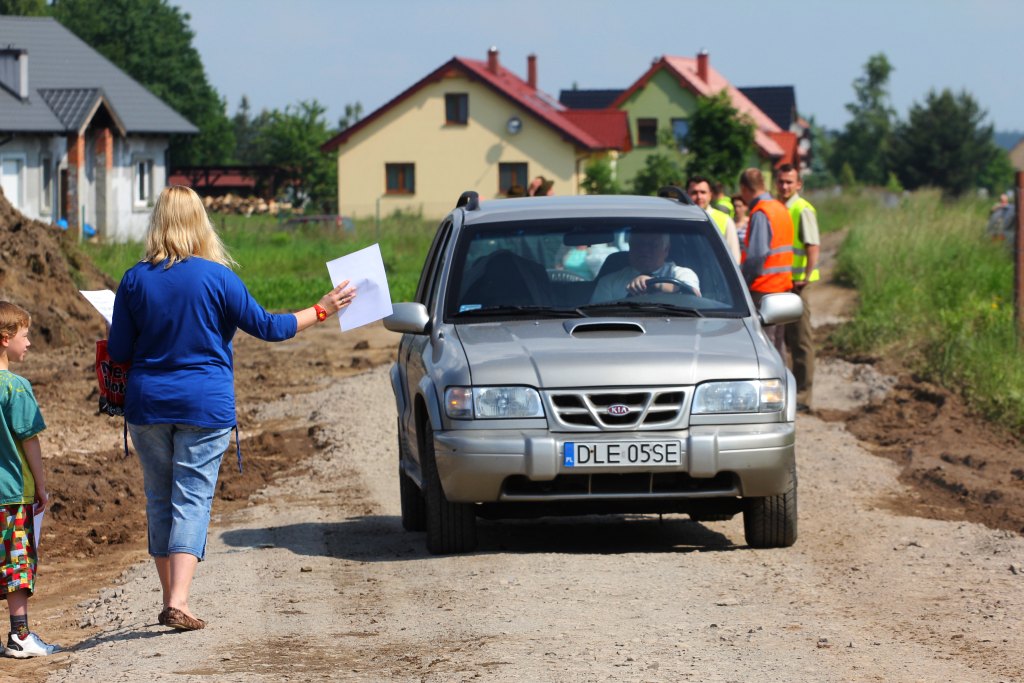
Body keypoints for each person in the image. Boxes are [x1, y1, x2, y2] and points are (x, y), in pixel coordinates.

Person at [107, 186, 356, 632]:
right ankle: (179, 601)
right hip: (205, 403)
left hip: (147, 404)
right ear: (201, 221)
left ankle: (170, 599)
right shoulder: (218, 278)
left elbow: (120, 349)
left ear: (158, 222)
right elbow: (270, 327)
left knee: (160, 498)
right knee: (192, 498)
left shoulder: (133, 279)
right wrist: (322, 308)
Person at [0, 302, 59, 657]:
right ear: (5, 339)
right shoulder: (16, 387)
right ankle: (19, 636)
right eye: (26, 335)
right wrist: (41, 485)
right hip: (10, 494)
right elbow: (29, 439)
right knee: (16, 561)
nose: (30, 342)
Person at [775, 163, 820, 411]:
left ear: (798, 184)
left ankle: (804, 396)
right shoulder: (779, 208)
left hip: (798, 285)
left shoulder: (802, 209)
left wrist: (805, 276)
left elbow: (813, 246)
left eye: (789, 182)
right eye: (781, 181)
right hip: (781, 283)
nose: (784, 186)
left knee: (801, 340)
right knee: (783, 341)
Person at [738, 168, 793, 356]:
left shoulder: (761, 212)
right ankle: (785, 382)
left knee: (765, 348)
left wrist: (742, 284)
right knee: (778, 345)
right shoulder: (780, 208)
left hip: (763, 290)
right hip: (782, 288)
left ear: (744, 188)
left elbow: (756, 256)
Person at [590, 231, 700, 303]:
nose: (645, 250)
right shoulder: (609, 282)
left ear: (666, 249)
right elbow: (597, 319)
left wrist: (654, 283)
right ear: (630, 247)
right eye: (638, 244)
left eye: (653, 245)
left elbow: (694, 297)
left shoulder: (682, 274)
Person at [687, 175, 741, 263]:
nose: (699, 196)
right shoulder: (680, 219)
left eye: (703, 192)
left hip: (714, 275)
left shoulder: (725, 220)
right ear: (687, 194)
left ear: (710, 195)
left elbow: (734, 258)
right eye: (694, 192)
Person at [732, 193, 749, 258]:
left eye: (739, 206)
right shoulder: (730, 222)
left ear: (746, 207)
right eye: (735, 206)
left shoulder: (749, 223)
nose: (737, 209)